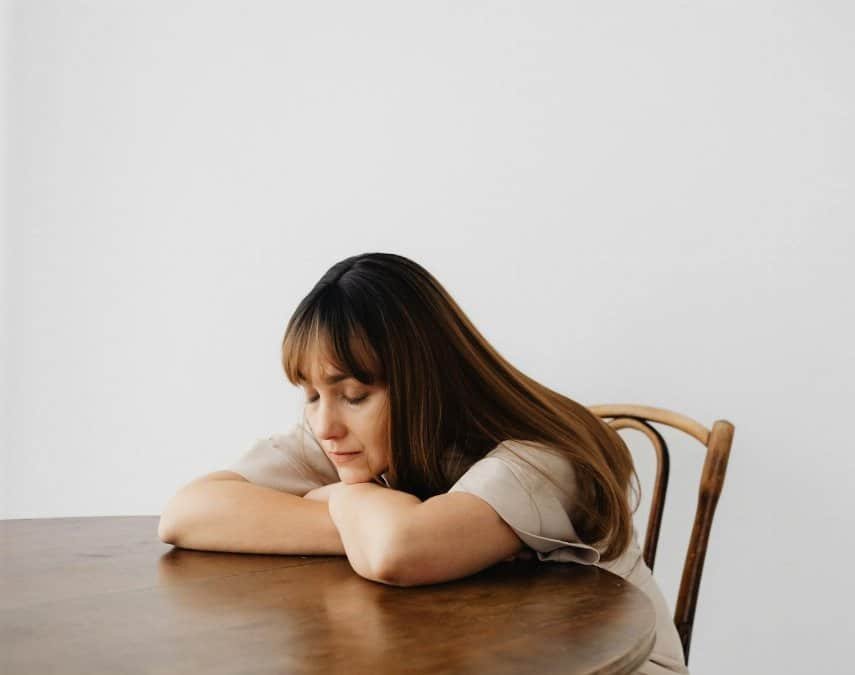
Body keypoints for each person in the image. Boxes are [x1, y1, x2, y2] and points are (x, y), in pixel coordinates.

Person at [158, 252, 689, 675]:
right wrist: (356, 523)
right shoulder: (350, 433)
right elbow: (186, 514)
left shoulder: (540, 460)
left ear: (424, 382)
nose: (325, 426)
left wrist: (348, 498)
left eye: (355, 394)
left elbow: (399, 551)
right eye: (312, 395)